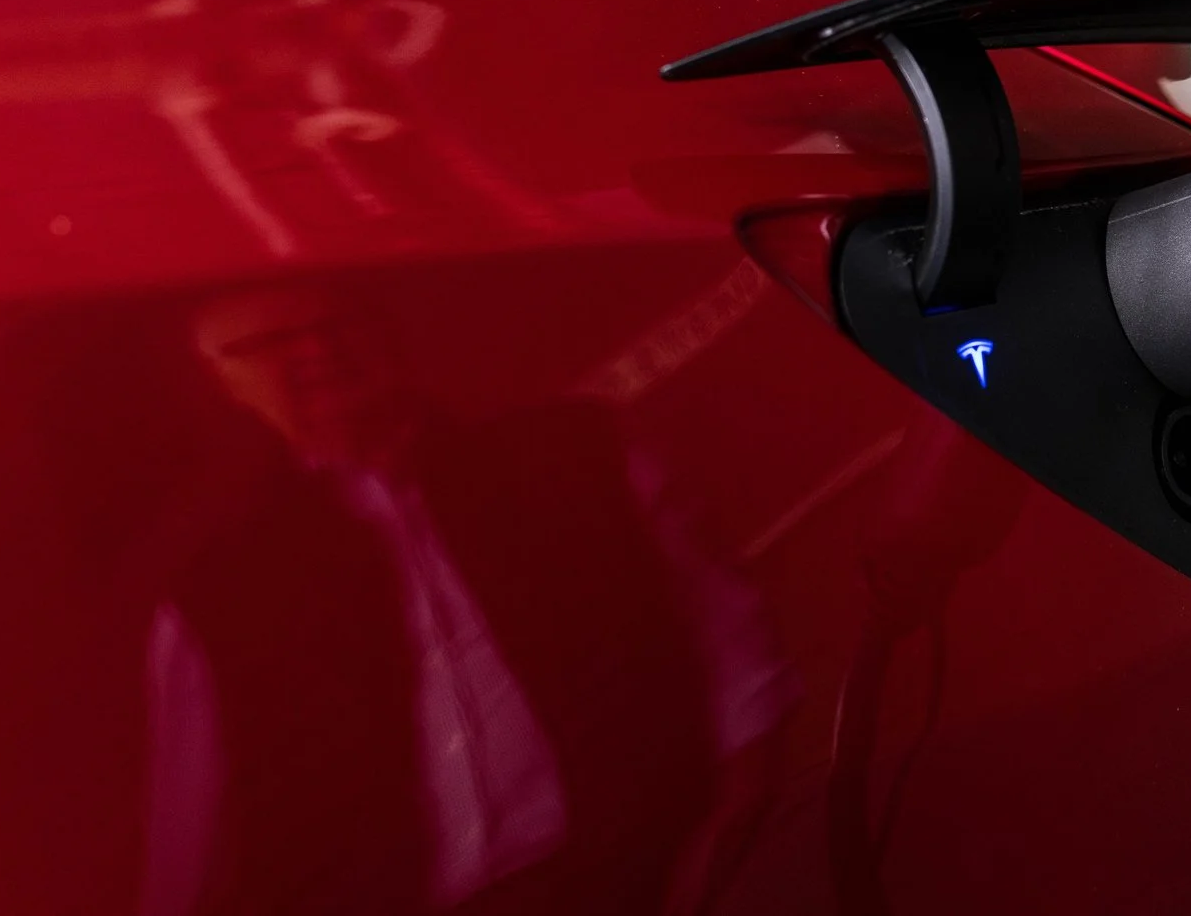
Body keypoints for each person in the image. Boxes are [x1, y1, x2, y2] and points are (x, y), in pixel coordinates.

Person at [143, 284, 792, 916]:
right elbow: (190, 839)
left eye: (340, 318)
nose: (318, 350)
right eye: (272, 340)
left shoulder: (578, 456)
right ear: (224, 381)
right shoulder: (217, 594)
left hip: (635, 875)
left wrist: (742, 794)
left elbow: (726, 630)